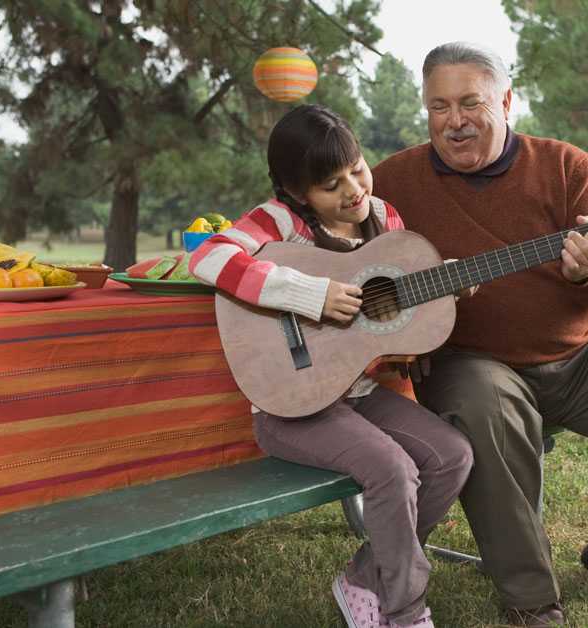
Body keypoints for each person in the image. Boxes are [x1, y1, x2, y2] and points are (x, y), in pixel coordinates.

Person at [371, 42, 588, 627]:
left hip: (577, 356)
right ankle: (530, 596)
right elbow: (348, 255)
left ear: (506, 101)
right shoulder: (394, 180)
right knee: (487, 404)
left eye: (470, 103)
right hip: (469, 363)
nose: (453, 121)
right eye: (438, 107)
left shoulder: (567, 166)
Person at [189, 104, 473, 628]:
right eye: (330, 183)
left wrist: (445, 289)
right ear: (299, 193)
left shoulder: (387, 220)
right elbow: (207, 258)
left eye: (357, 168)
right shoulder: (280, 221)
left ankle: (364, 578)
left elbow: (393, 311)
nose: (352, 189)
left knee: (452, 456)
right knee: (392, 469)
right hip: (290, 404)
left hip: (358, 394)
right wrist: (307, 294)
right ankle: (406, 612)